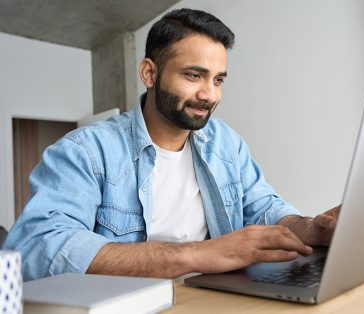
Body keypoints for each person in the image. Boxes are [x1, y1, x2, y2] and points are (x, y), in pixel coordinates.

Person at [3, 8, 340, 281]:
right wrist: (199, 254)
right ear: (150, 73)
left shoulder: (225, 144)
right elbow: (37, 248)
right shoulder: (86, 150)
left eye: (218, 79)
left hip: (210, 300)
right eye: (193, 75)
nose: (209, 94)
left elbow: (263, 206)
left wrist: (309, 228)